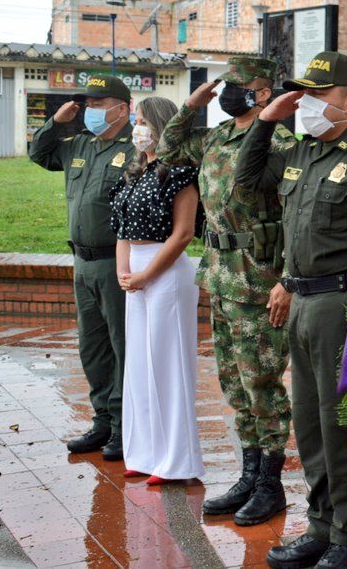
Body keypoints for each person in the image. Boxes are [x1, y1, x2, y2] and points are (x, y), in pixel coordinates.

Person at [235, 51, 347, 569]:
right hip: (301, 299)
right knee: (309, 426)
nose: (305, 105)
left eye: (317, 95)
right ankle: (319, 527)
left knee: (341, 428)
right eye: (302, 95)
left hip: (344, 306)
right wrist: (267, 119)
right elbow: (248, 179)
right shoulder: (303, 152)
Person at [157, 57, 295, 525]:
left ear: (261, 91)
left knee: (263, 383)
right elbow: (168, 149)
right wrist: (191, 106)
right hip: (219, 274)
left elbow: (295, 215)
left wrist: (287, 280)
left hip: (259, 280)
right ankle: (249, 474)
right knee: (235, 383)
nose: (227, 94)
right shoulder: (216, 137)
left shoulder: (281, 141)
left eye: (236, 87)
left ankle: (270, 485)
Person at [29, 75, 135, 460]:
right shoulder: (81, 146)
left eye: (98, 103)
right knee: (92, 347)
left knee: (122, 346)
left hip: (115, 263)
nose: (90, 110)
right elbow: (39, 155)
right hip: (82, 261)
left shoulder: (136, 150)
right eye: (87, 104)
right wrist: (57, 123)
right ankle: (103, 421)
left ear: (121, 108)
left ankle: (125, 428)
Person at [110, 96, 204, 486]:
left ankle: (177, 460)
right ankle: (145, 452)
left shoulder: (180, 171)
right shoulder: (133, 172)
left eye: (145, 120)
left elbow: (183, 234)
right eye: (135, 120)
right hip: (135, 273)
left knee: (168, 365)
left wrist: (147, 273)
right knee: (140, 367)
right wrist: (124, 270)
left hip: (165, 273)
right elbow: (121, 230)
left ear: (163, 125)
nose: (138, 128)